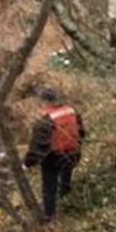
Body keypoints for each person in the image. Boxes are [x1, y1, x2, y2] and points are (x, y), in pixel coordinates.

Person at [23, 89, 85, 220]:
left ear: (43, 102)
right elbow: (81, 132)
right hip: (73, 153)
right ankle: (65, 195)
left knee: (49, 186)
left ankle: (49, 215)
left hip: (54, 158)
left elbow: (38, 147)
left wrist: (27, 164)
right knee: (66, 173)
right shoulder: (71, 111)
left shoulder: (45, 121)